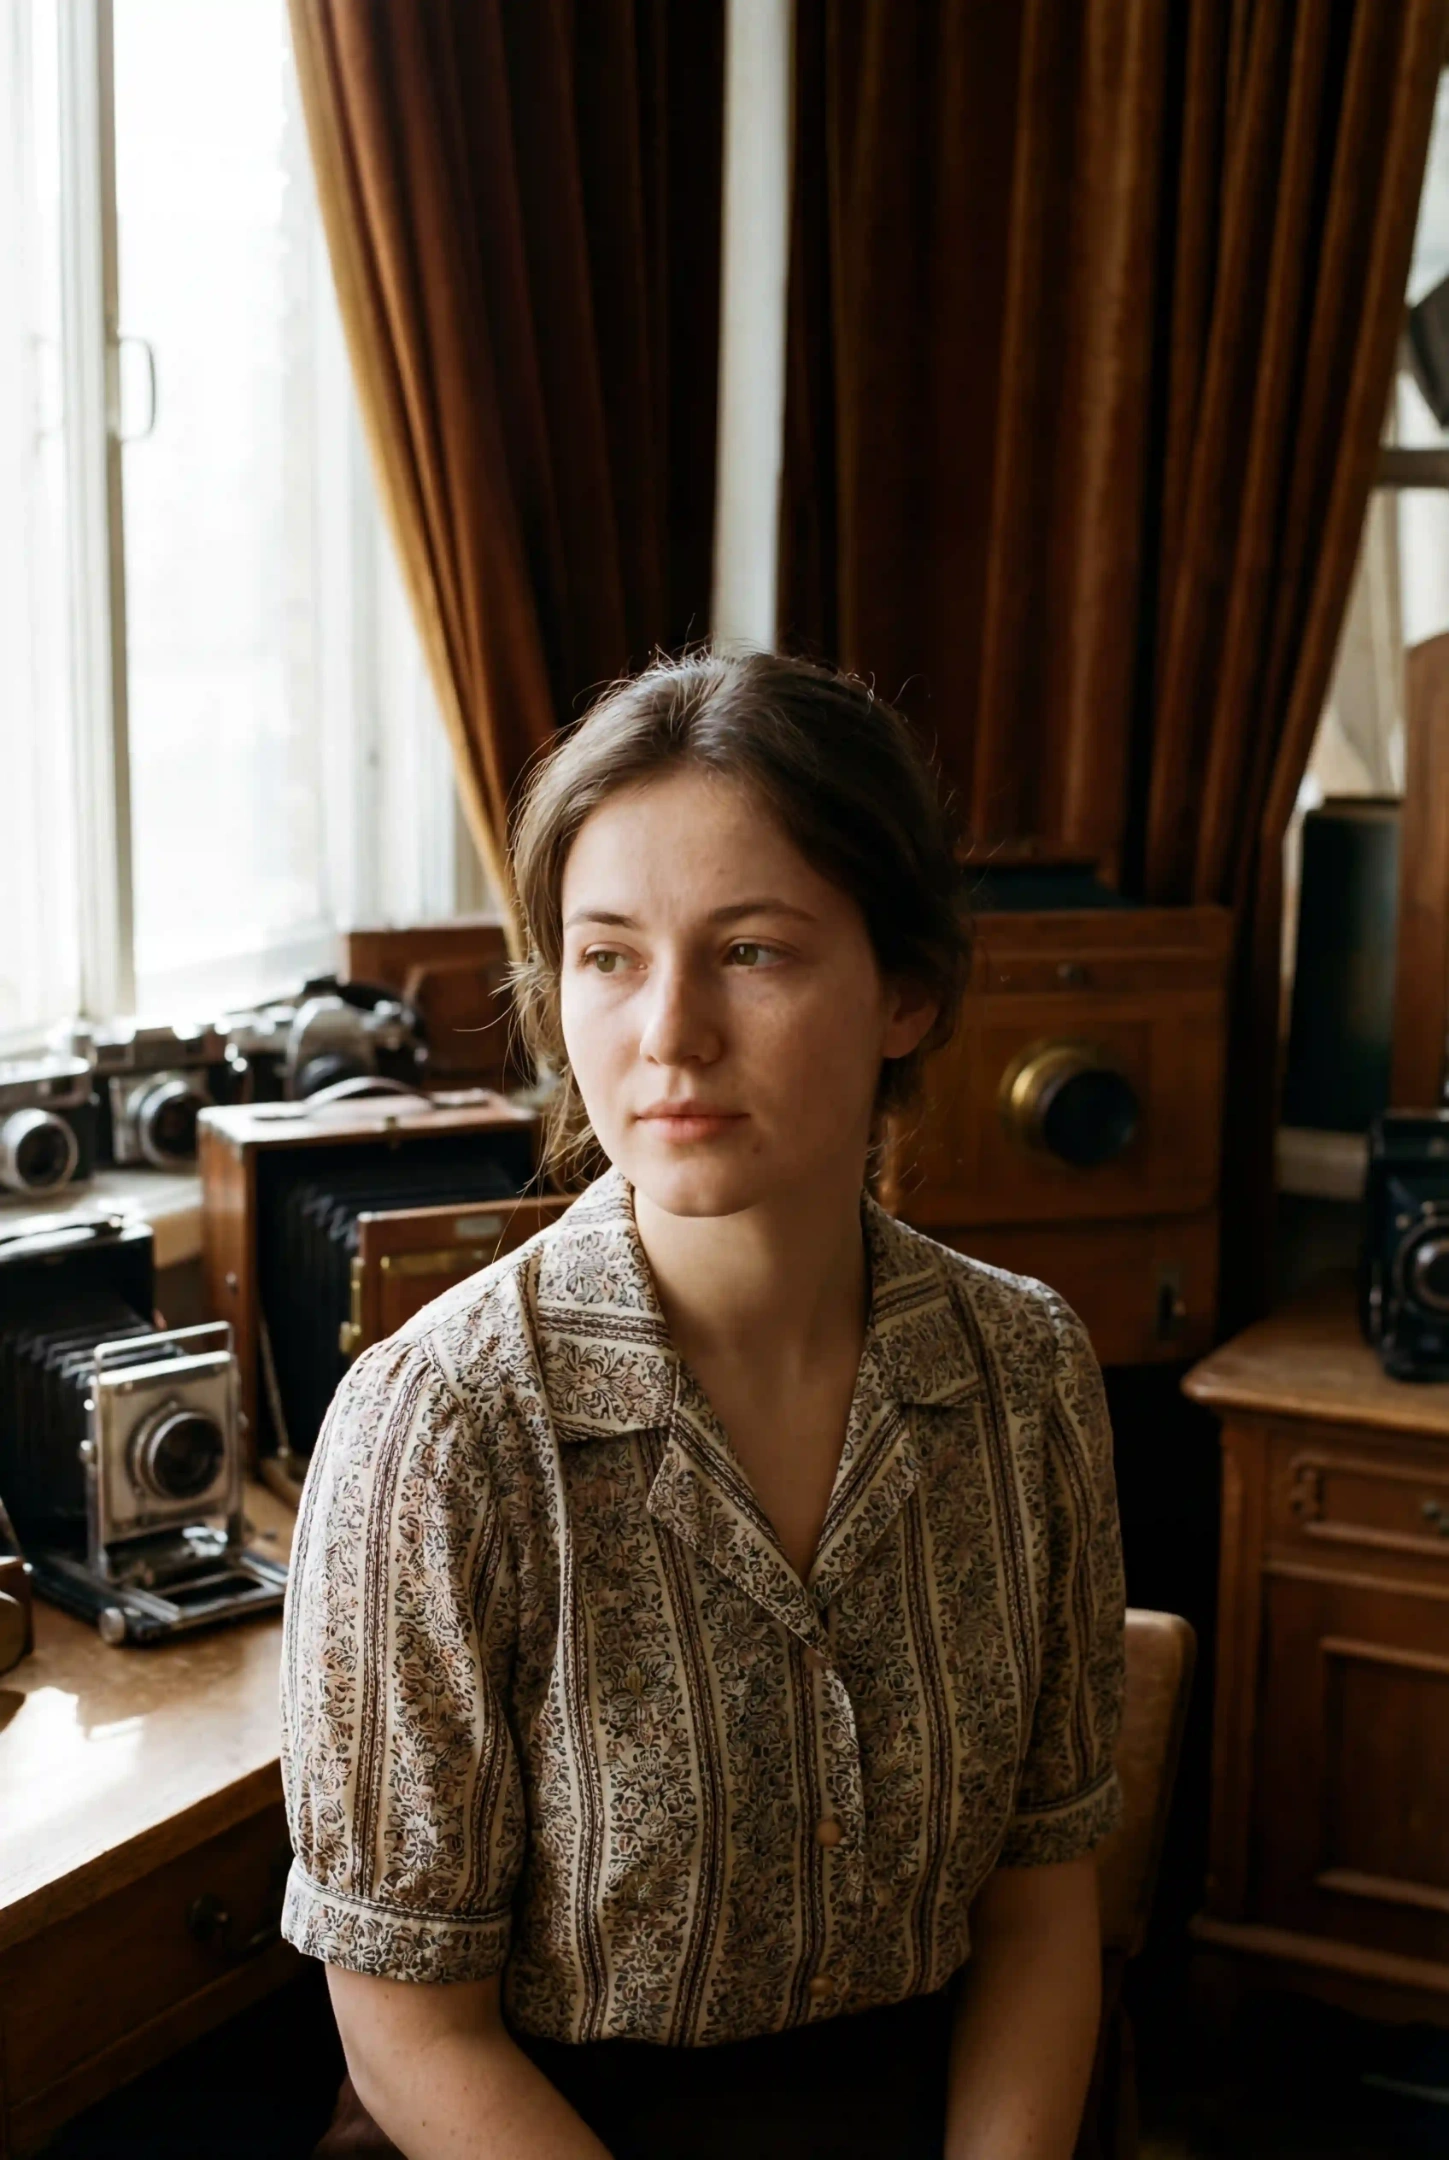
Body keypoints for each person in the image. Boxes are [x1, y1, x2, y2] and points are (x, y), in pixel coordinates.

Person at [279, 651, 1126, 2160]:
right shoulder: (444, 1428)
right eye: (608, 957)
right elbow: (407, 2025)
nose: (667, 1033)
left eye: (753, 953)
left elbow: (1042, 1908)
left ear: (907, 994)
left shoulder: (1026, 1373)